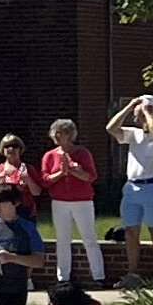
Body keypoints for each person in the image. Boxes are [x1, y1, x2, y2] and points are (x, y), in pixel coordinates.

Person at [108, 95, 153, 282]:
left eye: (139, 114)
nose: (136, 118)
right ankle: (132, 274)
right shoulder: (133, 134)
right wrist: (129, 107)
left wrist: (147, 111)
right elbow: (111, 128)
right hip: (132, 187)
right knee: (131, 231)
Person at [39, 118, 104, 284]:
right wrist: (61, 172)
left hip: (82, 201)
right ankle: (63, 277)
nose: (55, 136)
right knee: (62, 240)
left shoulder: (82, 153)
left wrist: (73, 170)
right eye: (54, 133)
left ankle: (98, 276)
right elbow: (45, 180)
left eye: (59, 133)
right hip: (59, 202)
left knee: (89, 238)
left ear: (69, 134)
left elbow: (90, 177)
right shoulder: (50, 155)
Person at [0, 135, 43, 221]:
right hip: (5, 211)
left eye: (15, 146)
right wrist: (0, 178)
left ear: (20, 149)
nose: (11, 149)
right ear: (2, 149)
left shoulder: (28, 168)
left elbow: (37, 192)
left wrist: (27, 177)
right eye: (7, 146)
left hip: (26, 211)